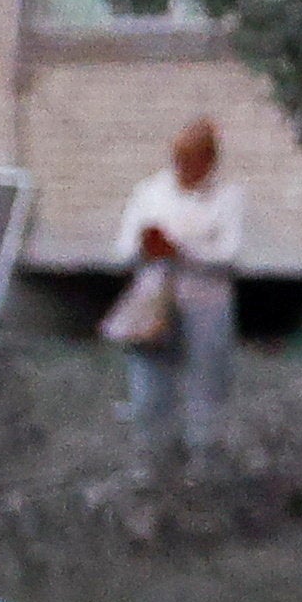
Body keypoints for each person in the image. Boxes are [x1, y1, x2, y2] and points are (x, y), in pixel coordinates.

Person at [113, 118, 245, 455]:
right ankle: (152, 461)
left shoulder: (228, 197)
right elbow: (124, 247)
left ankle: (205, 464)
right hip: (154, 301)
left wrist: (183, 250)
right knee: (149, 386)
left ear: (210, 161)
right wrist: (146, 247)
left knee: (207, 387)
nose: (186, 168)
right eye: (181, 160)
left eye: (195, 161)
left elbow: (230, 253)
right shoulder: (149, 193)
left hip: (206, 301)